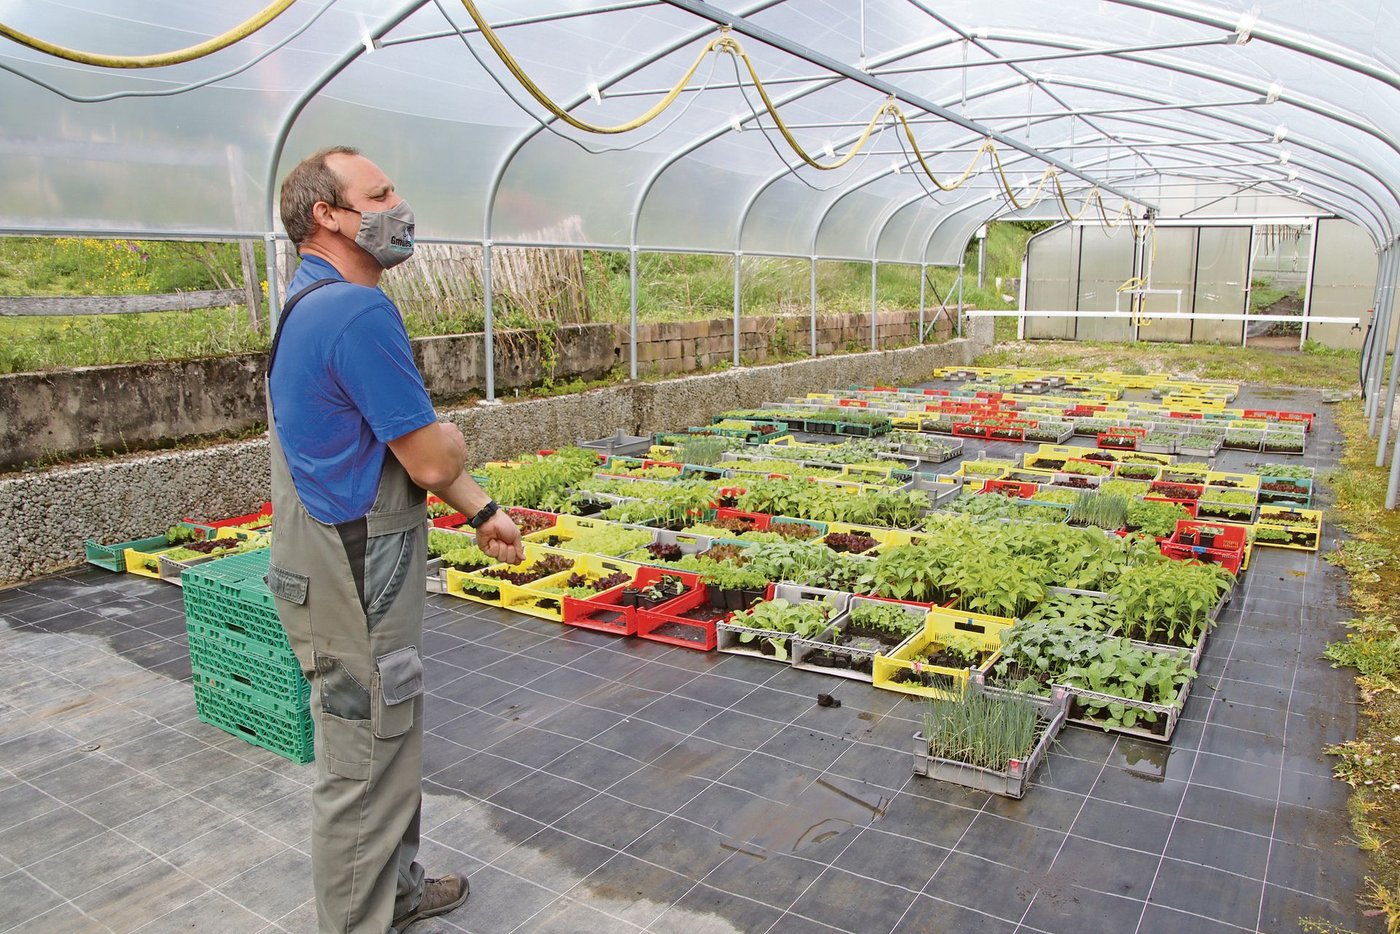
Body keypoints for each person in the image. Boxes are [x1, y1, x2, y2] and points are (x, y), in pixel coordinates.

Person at [266, 146, 523, 933]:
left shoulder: (308, 301)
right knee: (362, 755)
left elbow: (392, 445)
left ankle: (397, 891)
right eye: (378, 194)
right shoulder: (354, 310)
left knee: (388, 730)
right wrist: (451, 443)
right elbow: (430, 453)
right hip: (356, 568)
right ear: (328, 215)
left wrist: (482, 512)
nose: (399, 206)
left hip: (335, 557)